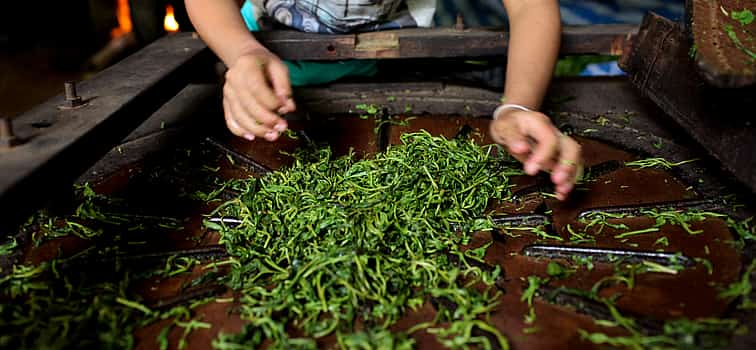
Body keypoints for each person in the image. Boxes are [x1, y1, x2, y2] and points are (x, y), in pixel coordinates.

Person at [185, 0, 582, 200]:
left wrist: (517, 106)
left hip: (394, 67)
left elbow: (531, 7)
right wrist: (241, 54)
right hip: (268, 73)